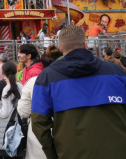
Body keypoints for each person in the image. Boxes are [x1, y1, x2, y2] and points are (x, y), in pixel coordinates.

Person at [32, 25, 126, 159]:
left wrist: (53, 153)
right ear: (85, 44)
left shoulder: (46, 78)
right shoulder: (117, 72)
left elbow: (38, 123)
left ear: (60, 48)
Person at [17, 45, 62, 159]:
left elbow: (23, 111)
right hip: (64, 129)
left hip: (39, 129)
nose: (18, 55)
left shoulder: (35, 79)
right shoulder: (70, 80)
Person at [0, 61, 23, 159]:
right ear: (16, 72)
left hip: (6, 126)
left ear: (3, 73)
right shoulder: (20, 86)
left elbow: (5, 112)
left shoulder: (7, 88)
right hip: (18, 123)